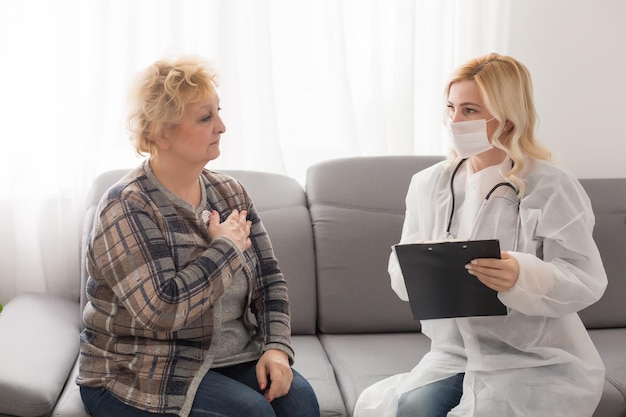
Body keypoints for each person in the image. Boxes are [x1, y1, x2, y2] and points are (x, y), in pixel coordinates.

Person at [353, 53, 607, 417]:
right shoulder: (429, 184)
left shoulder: (552, 186)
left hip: (533, 358)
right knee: (412, 407)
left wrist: (522, 274)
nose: (455, 121)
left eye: (470, 110)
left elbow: (585, 278)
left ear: (507, 118)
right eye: (451, 108)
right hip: (454, 354)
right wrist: (423, 266)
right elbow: (400, 272)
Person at [77, 56, 320, 417]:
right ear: (162, 133)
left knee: (300, 401)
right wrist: (226, 248)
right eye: (205, 118)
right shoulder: (127, 206)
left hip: (230, 358)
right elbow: (163, 310)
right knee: (251, 413)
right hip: (141, 367)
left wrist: (276, 348)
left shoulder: (230, 193)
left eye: (218, 112)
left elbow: (271, 282)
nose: (221, 126)